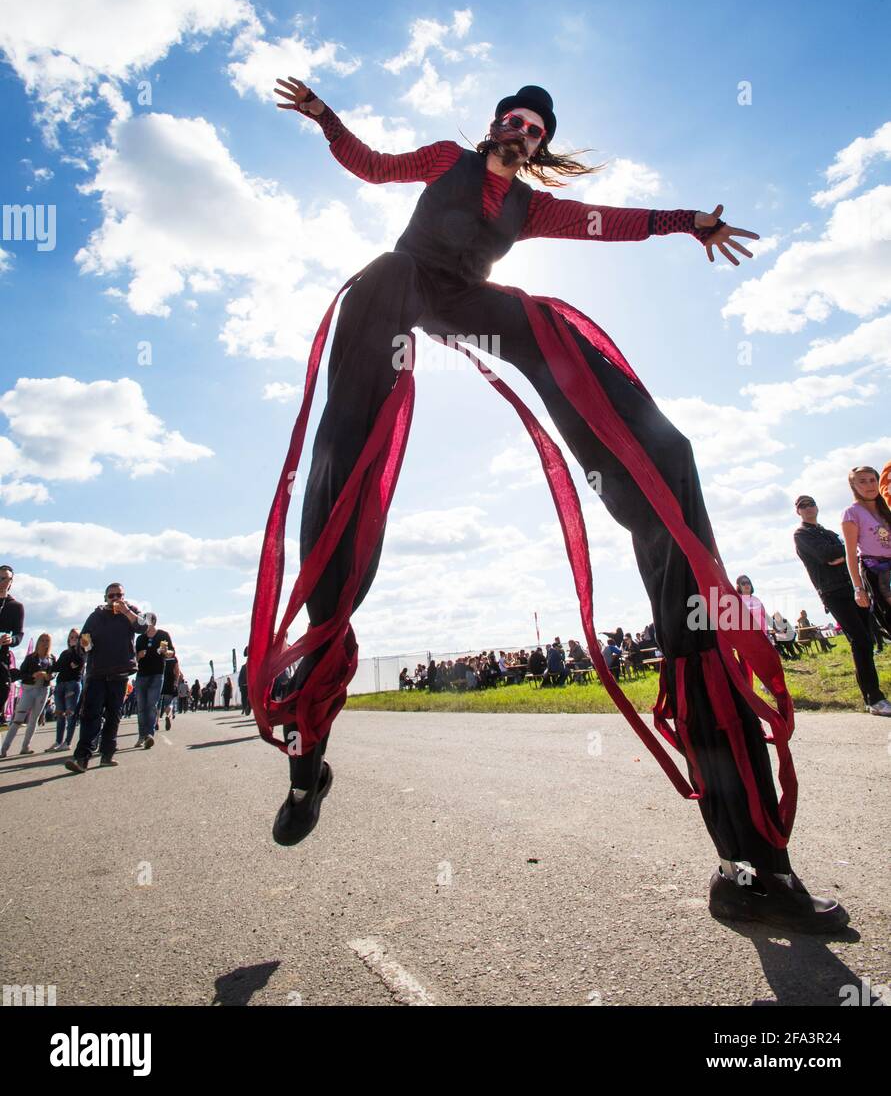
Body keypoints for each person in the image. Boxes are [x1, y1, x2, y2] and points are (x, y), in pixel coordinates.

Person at [251, 76, 845, 935]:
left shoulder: (528, 209)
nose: (520, 131)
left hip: (474, 310)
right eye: (513, 119)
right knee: (350, 435)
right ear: (494, 125)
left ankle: (749, 857)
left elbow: (608, 222)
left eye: (535, 128)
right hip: (399, 294)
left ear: (537, 144)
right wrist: (323, 119)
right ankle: (310, 746)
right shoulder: (444, 162)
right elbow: (370, 164)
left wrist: (688, 223)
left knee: (635, 422)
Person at [793, 495, 890, 716]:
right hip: (833, 592)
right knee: (860, 639)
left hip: (854, 587)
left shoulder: (827, 533)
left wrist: (845, 554)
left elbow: (851, 553)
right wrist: (846, 551)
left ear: (817, 506)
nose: (808, 508)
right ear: (798, 512)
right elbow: (828, 555)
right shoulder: (801, 534)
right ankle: (873, 698)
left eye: (811, 504)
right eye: (802, 506)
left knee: (870, 637)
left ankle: (873, 695)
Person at [65, 582, 148, 773]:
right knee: (90, 715)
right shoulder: (96, 616)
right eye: (111, 596)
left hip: (120, 672)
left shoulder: (131, 613)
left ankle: (107, 755)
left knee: (113, 714)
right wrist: (85, 645)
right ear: (105, 598)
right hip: (97, 672)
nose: (115, 599)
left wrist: (126, 611)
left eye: (119, 595)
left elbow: (143, 627)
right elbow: (81, 642)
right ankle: (81, 758)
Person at [842, 465, 891, 652]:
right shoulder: (851, 513)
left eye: (873, 480)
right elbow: (851, 554)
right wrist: (858, 588)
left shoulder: (886, 507)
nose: (869, 485)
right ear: (853, 485)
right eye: (862, 481)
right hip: (876, 571)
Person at [1, 633, 55, 756]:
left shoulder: (51, 658)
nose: (45, 643)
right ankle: (4, 748)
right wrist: (33, 675)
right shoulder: (30, 658)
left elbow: (54, 672)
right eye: (42, 640)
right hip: (29, 689)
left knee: (34, 719)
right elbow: (21, 674)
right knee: (18, 720)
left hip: (43, 690)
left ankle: (25, 746)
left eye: (47, 640)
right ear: (38, 642)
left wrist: (49, 676)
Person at [134, 615, 175, 749]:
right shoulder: (140, 638)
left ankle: (149, 735)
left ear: (153, 622)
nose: (143, 622)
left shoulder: (163, 635)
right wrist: (138, 656)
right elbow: (134, 658)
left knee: (152, 704)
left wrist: (166, 652)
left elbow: (171, 653)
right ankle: (141, 735)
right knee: (141, 707)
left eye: (146, 620)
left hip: (157, 674)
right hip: (141, 675)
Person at [47, 629, 86, 751]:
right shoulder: (64, 653)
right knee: (60, 714)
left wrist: (76, 648)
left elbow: (77, 663)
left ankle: (67, 742)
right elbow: (57, 667)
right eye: (71, 637)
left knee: (70, 713)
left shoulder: (82, 652)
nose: (73, 639)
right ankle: (58, 741)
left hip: (72, 684)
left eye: (76, 637)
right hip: (60, 684)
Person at [0, 564, 25, 727]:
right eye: (0, 578)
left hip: (1, 656)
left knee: (3, 685)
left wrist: (12, 640)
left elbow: (19, 634)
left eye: (5, 579)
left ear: (11, 582)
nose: (2, 582)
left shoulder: (15, 607)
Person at [158, 652, 180, 733]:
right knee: (169, 702)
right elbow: (177, 671)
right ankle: (168, 715)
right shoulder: (174, 658)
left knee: (158, 703)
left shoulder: (161, 655)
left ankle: (156, 722)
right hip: (170, 681)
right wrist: (176, 682)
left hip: (160, 679)